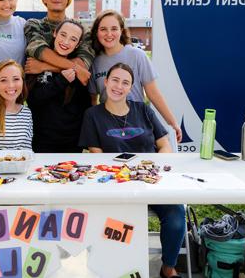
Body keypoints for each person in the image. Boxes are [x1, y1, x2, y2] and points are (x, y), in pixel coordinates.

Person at [79, 63, 185, 278]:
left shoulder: (144, 109)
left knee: (176, 215)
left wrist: (154, 170)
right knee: (114, 221)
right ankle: (118, 268)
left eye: (125, 83)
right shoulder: (93, 115)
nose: (119, 86)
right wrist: (121, 176)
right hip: (115, 186)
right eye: (115, 80)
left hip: (150, 182)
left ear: (131, 88)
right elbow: (97, 155)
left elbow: (164, 145)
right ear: (106, 82)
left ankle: (168, 268)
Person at [89, 10, 182, 142]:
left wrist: (172, 122)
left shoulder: (137, 55)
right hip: (108, 128)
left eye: (114, 28)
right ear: (96, 32)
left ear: (121, 30)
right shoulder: (95, 62)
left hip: (138, 124)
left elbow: (153, 94)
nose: (109, 34)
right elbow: (93, 100)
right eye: (103, 29)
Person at [27, 19, 91, 153]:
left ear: (78, 44)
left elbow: (83, 108)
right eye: (63, 35)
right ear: (55, 33)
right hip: (41, 142)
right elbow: (33, 100)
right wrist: (61, 81)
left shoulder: (80, 70)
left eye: (73, 39)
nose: (66, 42)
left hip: (70, 144)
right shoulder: (36, 63)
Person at [24, 0, 94, 85]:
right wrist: (75, 68)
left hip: (73, 97)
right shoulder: (34, 25)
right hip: (40, 96)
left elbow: (83, 64)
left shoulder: (81, 29)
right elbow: (41, 51)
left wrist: (43, 66)